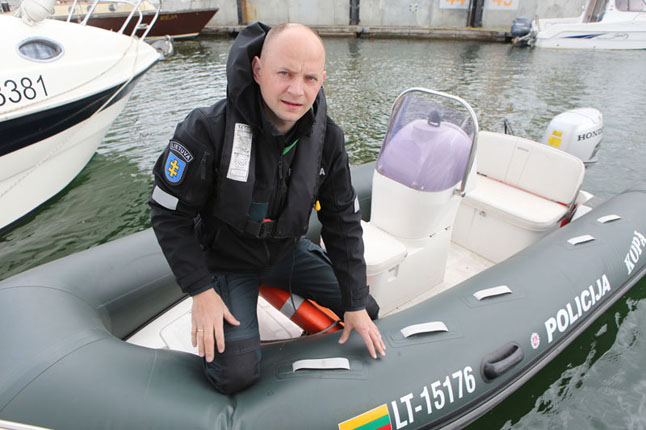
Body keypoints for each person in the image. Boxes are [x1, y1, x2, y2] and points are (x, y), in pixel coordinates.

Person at [149, 21, 385, 394]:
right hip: (227, 260)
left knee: (365, 308)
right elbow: (168, 214)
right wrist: (200, 291)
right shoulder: (206, 130)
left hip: (286, 252)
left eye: (309, 78)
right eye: (284, 73)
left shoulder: (328, 139)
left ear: (321, 81)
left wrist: (354, 302)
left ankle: (282, 290)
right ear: (258, 70)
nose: (296, 90)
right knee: (235, 374)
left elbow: (342, 220)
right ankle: (237, 302)